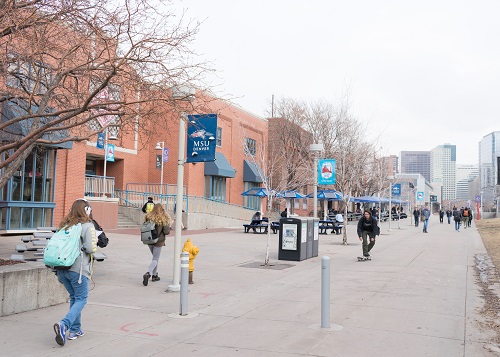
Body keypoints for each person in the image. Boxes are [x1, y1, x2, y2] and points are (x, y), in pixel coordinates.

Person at [53, 199, 97, 346]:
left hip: (61, 269)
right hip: (77, 270)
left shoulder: (65, 225)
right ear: (87, 210)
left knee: (74, 298)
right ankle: (64, 324)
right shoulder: (87, 226)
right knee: (82, 299)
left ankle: (75, 330)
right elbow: (90, 249)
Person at [143, 204, 172, 286]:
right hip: (158, 241)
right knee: (155, 259)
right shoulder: (164, 218)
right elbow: (167, 232)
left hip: (149, 240)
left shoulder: (148, 217)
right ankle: (148, 273)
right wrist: (169, 226)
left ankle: (155, 275)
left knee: (154, 259)